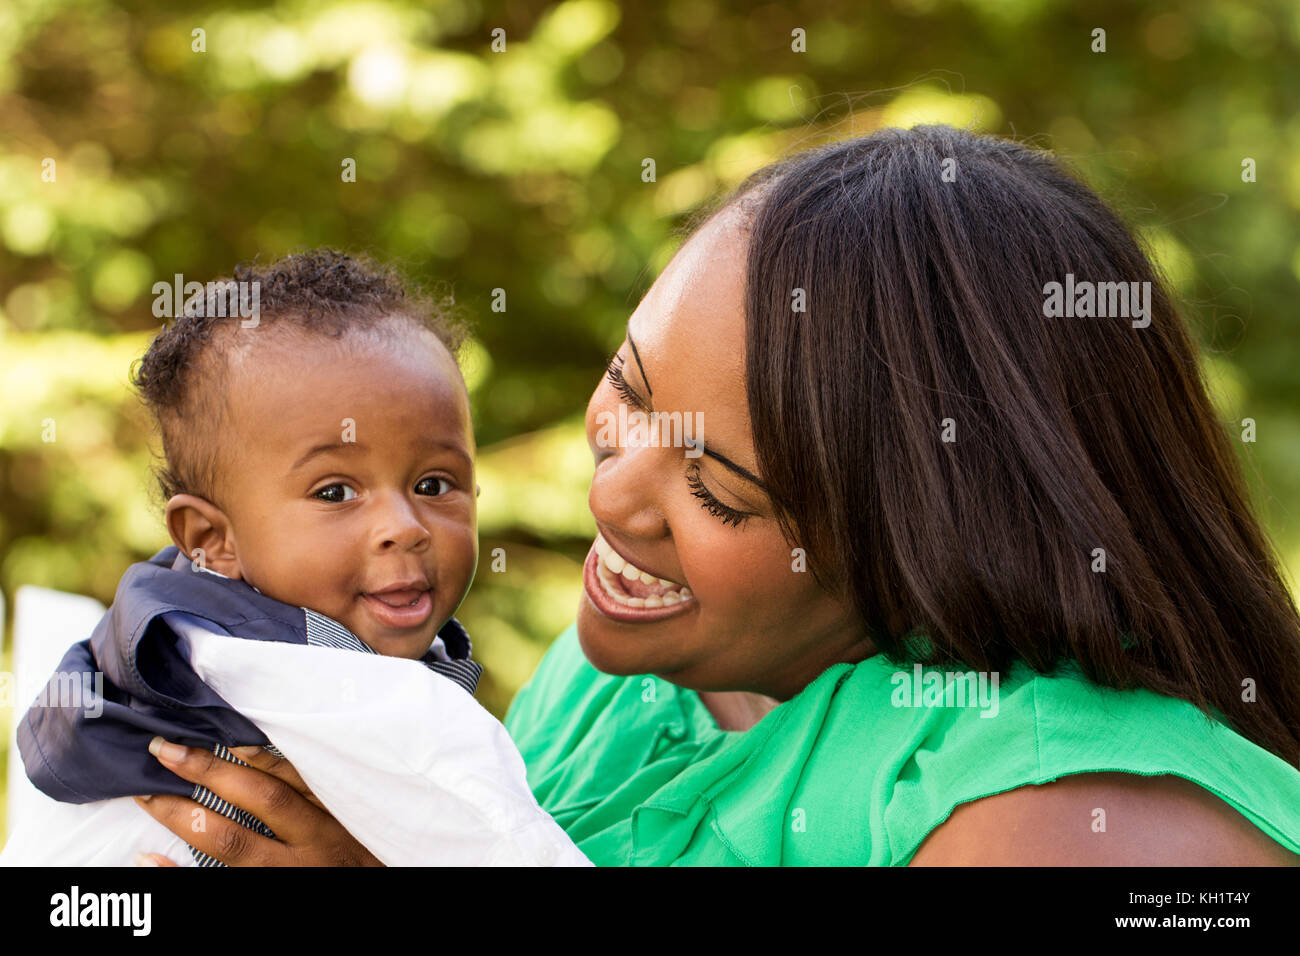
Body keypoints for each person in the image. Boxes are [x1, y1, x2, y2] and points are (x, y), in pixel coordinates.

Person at [133, 126, 1300, 866]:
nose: (615, 494)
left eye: (718, 487)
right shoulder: (621, 680)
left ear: (930, 537)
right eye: (629, 396)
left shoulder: (1072, 816)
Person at [1, 250, 588, 867]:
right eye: (335, 493)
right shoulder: (364, 699)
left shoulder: (181, 630)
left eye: (435, 484)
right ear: (211, 537)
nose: (404, 527)